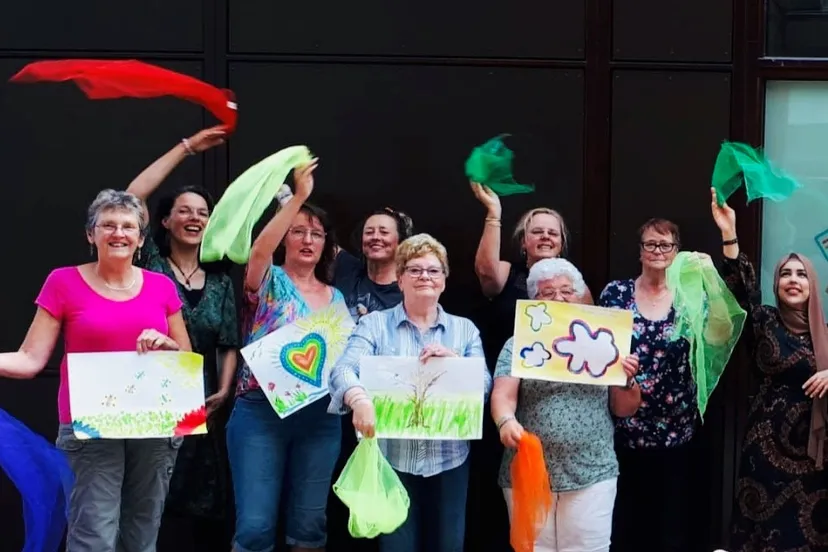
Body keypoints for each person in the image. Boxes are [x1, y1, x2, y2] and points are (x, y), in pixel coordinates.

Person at [0, 189, 191, 552]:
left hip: (154, 423)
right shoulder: (63, 282)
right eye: (108, 225)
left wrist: (167, 345)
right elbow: (30, 358)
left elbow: (186, 355)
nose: (118, 233)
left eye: (128, 227)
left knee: (142, 534)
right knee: (94, 535)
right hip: (89, 425)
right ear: (91, 235)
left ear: (139, 238)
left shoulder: (161, 287)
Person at [329, 233, 492, 552]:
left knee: (448, 546)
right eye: (415, 270)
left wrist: (457, 365)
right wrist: (359, 399)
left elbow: (484, 386)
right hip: (393, 460)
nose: (425, 277)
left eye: (433, 270)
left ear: (444, 280)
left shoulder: (464, 330)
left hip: (450, 462)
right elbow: (342, 370)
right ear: (400, 279)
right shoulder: (374, 325)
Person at [126, 126, 240, 550]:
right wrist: (187, 148)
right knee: (150, 496)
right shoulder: (149, 264)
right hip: (147, 394)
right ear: (164, 221)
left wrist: (224, 391)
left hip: (202, 401)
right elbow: (132, 196)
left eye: (203, 213)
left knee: (201, 502)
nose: (194, 218)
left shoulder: (220, 280)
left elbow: (229, 340)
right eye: (185, 211)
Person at [226, 158, 346, 552]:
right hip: (261, 412)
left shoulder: (337, 298)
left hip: (320, 418)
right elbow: (259, 249)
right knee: (256, 527)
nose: (308, 240)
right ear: (285, 238)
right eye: (298, 232)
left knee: (310, 525)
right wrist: (298, 199)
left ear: (327, 243)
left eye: (316, 234)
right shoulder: (269, 279)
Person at [491, 257, 641, 552]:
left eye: (566, 291)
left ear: (581, 296)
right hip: (528, 471)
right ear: (534, 300)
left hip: (592, 470)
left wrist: (627, 380)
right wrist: (505, 421)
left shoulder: (606, 341)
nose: (558, 298)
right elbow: (502, 395)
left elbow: (624, 408)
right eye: (547, 293)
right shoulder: (518, 343)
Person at [711, 188, 828, 551]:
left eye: (801, 274)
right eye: (785, 274)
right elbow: (738, 294)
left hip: (816, 459)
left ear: (813, 286)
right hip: (764, 456)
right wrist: (729, 235)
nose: (793, 279)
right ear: (776, 284)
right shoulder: (763, 321)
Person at [598, 218, 698, 552]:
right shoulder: (616, 293)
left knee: (672, 526)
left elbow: (718, 336)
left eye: (665, 244)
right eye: (650, 244)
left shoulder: (689, 298)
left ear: (676, 251)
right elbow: (599, 351)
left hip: (677, 429)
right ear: (640, 251)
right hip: (626, 429)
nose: (657, 251)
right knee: (627, 524)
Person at [328, 207, 413, 552]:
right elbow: (308, 229)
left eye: (384, 231)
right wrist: (288, 194)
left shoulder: (409, 288)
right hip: (339, 403)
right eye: (369, 231)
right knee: (343, 500)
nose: (375, 237)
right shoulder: (347, 268)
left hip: (387, 413)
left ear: (400, 242)